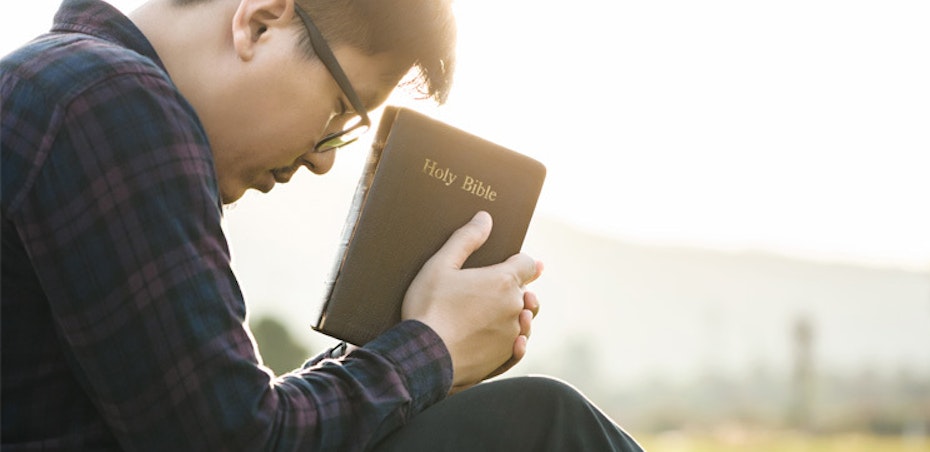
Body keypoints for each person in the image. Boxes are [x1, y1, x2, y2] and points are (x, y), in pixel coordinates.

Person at [0, 0, 643, 450]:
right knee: (543, 424)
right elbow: (238, 441)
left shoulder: (59, 84)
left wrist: (393, 347)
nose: (324, 157)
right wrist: (432, 347)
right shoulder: (110, 100)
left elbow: (212, 419)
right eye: (341, 108)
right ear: (260, 21)